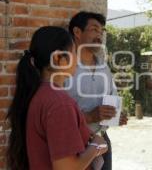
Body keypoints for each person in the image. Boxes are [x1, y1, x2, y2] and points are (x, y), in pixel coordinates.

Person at [6, 26, 108, 170]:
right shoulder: (59, 103)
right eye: (73, 52)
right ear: (58, 58)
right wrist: (96, 147)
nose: (77, 59)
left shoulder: (40, 93)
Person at [66, 11, 128, 170]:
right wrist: (89, 116)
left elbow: (111, 99)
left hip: (102, 141)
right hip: (73, 144)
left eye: (101, 32)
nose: (99, 35)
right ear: (77, 32)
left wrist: (116, 116)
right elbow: (56, 113)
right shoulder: (63, 68)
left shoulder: (104, 67)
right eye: (94, 30)